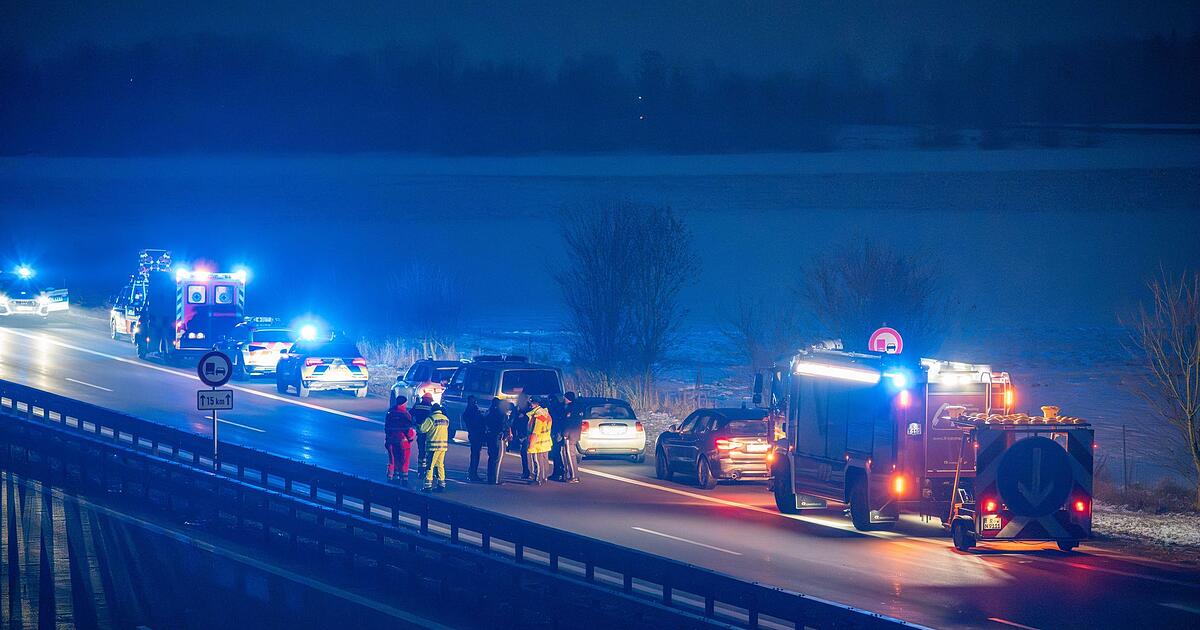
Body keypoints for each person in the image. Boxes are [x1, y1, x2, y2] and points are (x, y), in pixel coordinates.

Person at [384, 396, 416, 486]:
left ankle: (392, 477)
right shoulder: (405, 414)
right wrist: (410, 438)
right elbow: (408, 429)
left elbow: (386, 427)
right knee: (404, 460)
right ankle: (404, 478)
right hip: (403, 441)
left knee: (393, 459)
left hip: (390, 440)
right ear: (404, 403)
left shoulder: (390, 412)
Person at [419, 403, 450, 492]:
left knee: (430, 466)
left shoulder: (431, 418)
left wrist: (417, 425)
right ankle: (441, 484)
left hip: (433, 447)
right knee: (440, 465)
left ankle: (427, 486)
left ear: (432, 410)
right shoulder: (445, 419)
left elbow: (422, 429)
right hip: (443, 446)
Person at [526, 397, 553, 484]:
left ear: (536, 404)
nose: (530, 405)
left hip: (538, 442)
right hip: (546, 441)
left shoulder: (538, 415)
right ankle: (544, 477)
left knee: (537, 460)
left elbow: (536, 431)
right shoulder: (545, 413)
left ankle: (538, 479)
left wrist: (531, 444)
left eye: (531, 403)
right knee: (544, 460)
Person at [483, 398, 510, 484]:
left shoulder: (489, 412)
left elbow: (486, 422)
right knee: (497, 458)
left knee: (491, 458)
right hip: (498, 438)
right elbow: (504, 425)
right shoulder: (501, 414)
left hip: (490, 436)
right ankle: (495, 479)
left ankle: (490, 477)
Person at [558, 391, 581, 483]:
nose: (564, 399)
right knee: (567, 453)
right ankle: (570, 474)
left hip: (570, 434)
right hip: (574, 433)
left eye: (565, 398)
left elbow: (569, 423)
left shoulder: (571, 409)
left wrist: (565, 433)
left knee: (570, 455)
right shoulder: (577, 407)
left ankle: (574, 476)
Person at [462, 395, 486, 481]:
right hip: (476, 434)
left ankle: (472, 472)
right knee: (475, 454)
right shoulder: (473, 411)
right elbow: (478, 421)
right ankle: (473, 473)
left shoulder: (469, 410)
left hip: (474, 434)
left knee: (475, 454)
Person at [410, 392, 434, 476]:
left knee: (421, 451)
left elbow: (410, 415)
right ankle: (428, 470)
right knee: (429, 452)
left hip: (420, 432)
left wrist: (414, 424)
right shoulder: (431, 408)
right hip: (429, 434)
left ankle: (420, 470)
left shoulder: (417, 406)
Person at [510, 393, 532, 480]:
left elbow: (527, 423)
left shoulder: (528, 410)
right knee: (523, 453)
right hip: (519, 433)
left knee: (529, 453)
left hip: (526, 434)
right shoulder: (517, 409)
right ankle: (526, 471)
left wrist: (524, 435)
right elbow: (513, 422)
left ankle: (531, 472)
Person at [548, 393, 567, 480]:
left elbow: (555, 421)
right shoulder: (560, 407)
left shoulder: (554, 408)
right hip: (558, 432)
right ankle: (560, 471)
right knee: (557, 453)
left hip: (556, 432)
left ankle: (559, 471)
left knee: (556, 453)